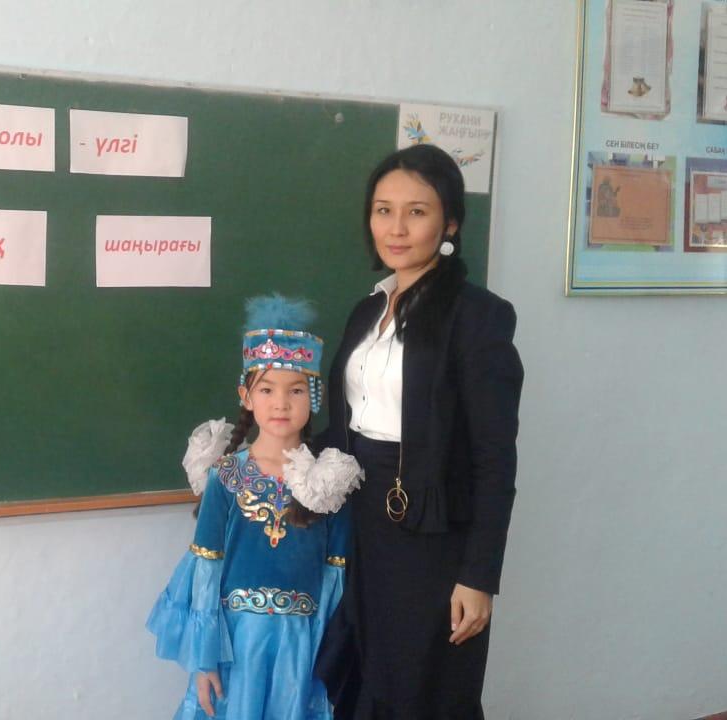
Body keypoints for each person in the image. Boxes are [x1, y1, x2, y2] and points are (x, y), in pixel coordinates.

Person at [312, 143, 525, 720]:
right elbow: (346, 428)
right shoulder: (367, 311)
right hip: (362, 525)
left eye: (417, 211)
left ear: (450, 222)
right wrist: (265, 454)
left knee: (426, 692)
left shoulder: (477, 316)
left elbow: (494, 459)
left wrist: (478, 577)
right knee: (363, 681)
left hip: (432, 533)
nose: (396, 228)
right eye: (383, 210)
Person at [147, 295, 365, 720]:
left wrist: (326, 659)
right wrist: (204, 660)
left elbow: (335, 577)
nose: (281, 403)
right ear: (246, 396)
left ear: (315, 396)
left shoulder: (330, 481)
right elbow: (206, 569)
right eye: (267, 389)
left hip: (300, 648)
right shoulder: (226, 476)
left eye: (296, 389)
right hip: (236, 645)